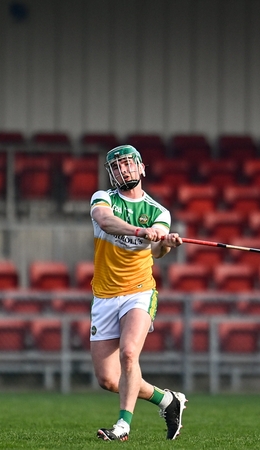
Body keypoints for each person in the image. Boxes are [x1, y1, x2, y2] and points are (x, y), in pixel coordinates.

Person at [89, 144, 186, 442]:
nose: (123, 170)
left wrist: (166, 241)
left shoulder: (158, 211)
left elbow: (157, 252)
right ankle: (167, 400)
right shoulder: (103, 198)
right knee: (108, 379)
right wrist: (137, 231)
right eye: (116, 167)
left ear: (142, 168)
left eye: (128, 164)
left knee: (130, 354)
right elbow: (105, 221)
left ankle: (123, 425)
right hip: (104, 295)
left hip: (139, 291)